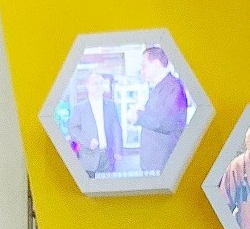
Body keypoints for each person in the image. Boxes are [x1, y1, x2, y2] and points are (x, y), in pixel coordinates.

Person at [130, 45, 188, 174]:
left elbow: (165, 123)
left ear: (156, 64)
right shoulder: (161, 87)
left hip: (163, 160)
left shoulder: (173, 87)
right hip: (156, 159)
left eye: (144, 66)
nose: (142, 71)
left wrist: (138, 116)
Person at [68, 70, 121, 178]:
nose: (99, 86)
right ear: (87, 86)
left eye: (101, 83)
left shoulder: (110, 105)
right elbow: (72, 129)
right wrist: (88, 142)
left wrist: (118, 150)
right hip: (89, 158)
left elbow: (116, 128)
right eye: (95, 83)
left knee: (108, 187)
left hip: (108, 157)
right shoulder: (80, 108)